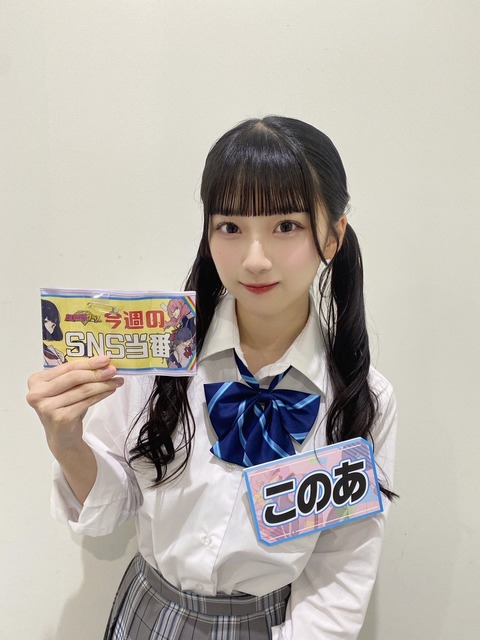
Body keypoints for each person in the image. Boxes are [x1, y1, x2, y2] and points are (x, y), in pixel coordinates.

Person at [27, 116, 397, 640]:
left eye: (286, 226)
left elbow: (340, 574)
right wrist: (67, 443)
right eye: (230, 227)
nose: (255, 259)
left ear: (333, 236)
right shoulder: (159, 352)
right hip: (148, 615)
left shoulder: (363, 400)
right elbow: (112, 507)